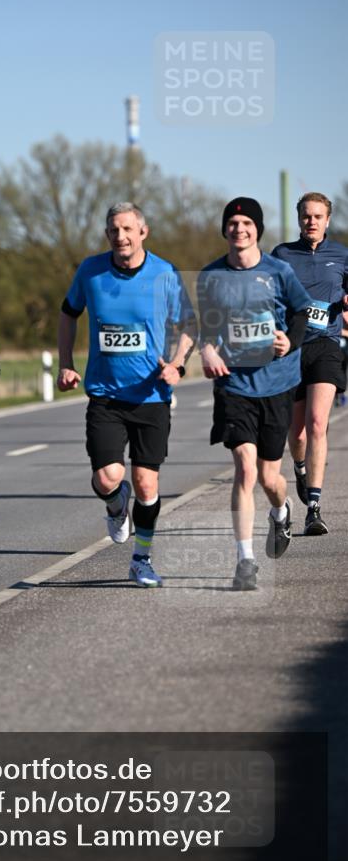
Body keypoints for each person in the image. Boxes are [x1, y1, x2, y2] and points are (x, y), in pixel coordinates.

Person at [57, 202, 196, 588]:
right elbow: (68, 313)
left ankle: (141, 560)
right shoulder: (91, 271)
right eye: (114, 230)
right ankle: (116, 504)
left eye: (127, 230)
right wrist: (65, 363)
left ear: (143, 232)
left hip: (151, 394)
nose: (121, 236)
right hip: (105, 393)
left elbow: (189, 325)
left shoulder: (164, 273)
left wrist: (178, 363)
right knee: (107, 478)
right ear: (107, 235)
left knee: (147, 484)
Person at [197, 197, 310, 591]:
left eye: (246, 222)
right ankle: (245, 561)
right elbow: (207, 327)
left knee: (269, 477)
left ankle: (281, 511)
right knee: (244, 470)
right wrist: (207, 349)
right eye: (233, 222)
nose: (239, 229)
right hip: (235, 386)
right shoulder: (211, 276)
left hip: (277, 383)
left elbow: (301, 312)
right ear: (225, 229)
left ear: (257, 229)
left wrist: (289, 341)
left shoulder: (279, 271)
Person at [272, 193, 348, 535]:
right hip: (292, 350)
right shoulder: (282, 255)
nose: (312, 221)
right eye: (306, 216)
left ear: (328, 220)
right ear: (299, 218)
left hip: (327, 346)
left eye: (318, 216)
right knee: (298, 431)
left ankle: (313, 507)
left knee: (319, 423)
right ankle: (300, 468)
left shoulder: (343, 255)